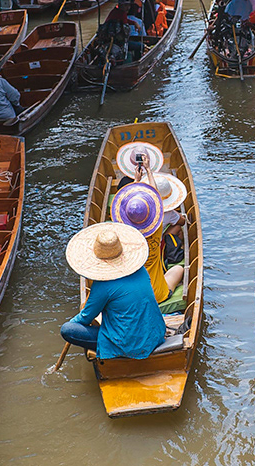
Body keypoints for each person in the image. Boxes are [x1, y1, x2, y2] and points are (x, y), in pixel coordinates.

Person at [59, 222, 165, 359]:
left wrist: (73, 323)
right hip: (155, 333)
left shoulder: (102, 285)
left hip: (125, 343)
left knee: (67, 330)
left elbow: (86, 317)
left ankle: (115, 351)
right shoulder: (141, 270)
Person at [112, 147, 184, 303]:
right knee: (179, 269)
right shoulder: (157, 229)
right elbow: (156, 198)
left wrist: (135, 182)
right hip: (157, 295)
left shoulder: (124, 236)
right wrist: (149, 170)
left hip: (133, 298)